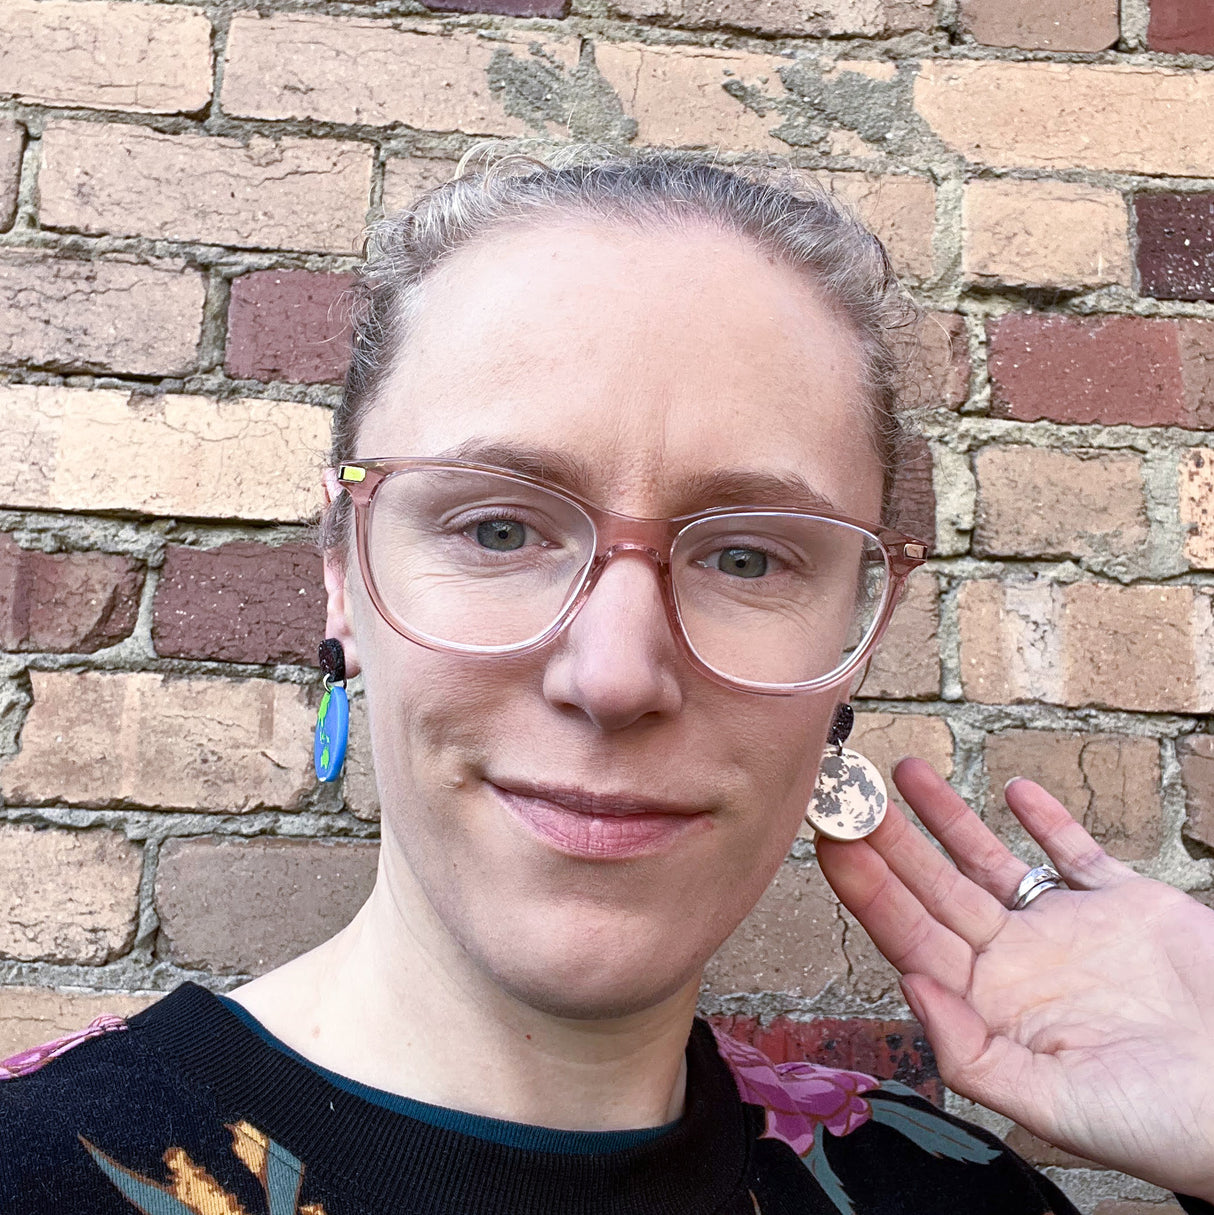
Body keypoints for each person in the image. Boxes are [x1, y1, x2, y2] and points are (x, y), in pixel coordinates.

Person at [1, 147, 1211, 1215]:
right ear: (341, 576)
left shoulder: (948, 1195)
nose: (616, 673)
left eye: (746, 556)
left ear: (859, 627)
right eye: (495, 530)